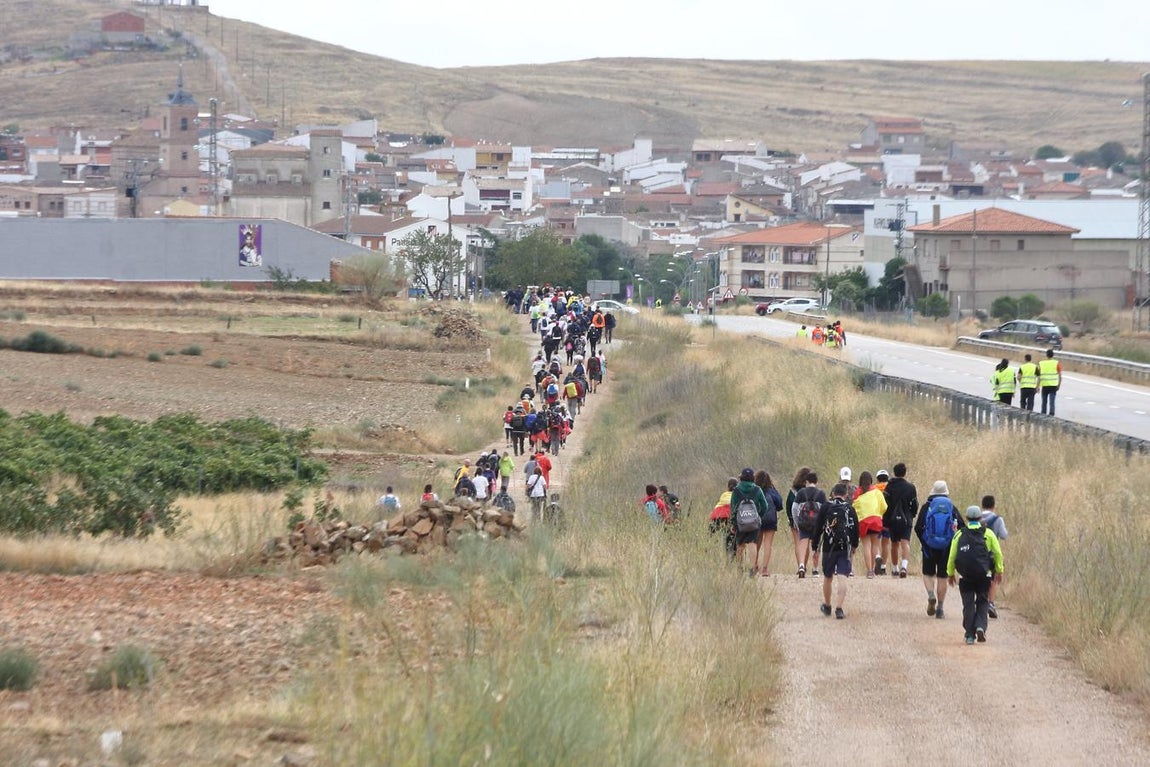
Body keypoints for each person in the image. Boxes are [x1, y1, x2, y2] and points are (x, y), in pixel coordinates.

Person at [948, 505, 1005, 644]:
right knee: (983, 601)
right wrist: (999, 570)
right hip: (984, 575)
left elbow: (952, 556)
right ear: (980, 518)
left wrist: (950, 573)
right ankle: (980, 627)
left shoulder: (960, 534)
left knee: (968, 604)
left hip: (965, 576)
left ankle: (969, 635)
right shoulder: (988, 533)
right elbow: (998, 553)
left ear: (966, 518)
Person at [914, 480, 962, 620]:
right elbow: (962, 528)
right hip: (946, 547)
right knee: (942, 577)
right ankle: (940, 608)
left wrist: (925, 542)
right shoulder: (951, 507)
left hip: (929, 546)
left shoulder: (927, 506)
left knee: (928, 574)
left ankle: (931, 595)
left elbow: (918, 528)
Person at [813, 482, 860, 619]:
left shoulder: (826, 507)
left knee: (828, 577)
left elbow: (818, 529)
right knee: (842, 576)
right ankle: (839, 608)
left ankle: (827, 606)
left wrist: (815, 547)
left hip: (829, 547)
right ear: (846, 495)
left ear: (833, 493)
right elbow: (855, 529)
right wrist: (854, 546)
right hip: (845, 547)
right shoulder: (849, 509)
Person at [730, 467, 770, 576]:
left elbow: (733, 508)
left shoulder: (736, 490)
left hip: (740, 522)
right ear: (753, 478)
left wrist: (733, 523)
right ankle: (753, 568)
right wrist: (758, 516)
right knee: (752, 543)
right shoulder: (757, 489)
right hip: (754, 523)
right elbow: (765, 506)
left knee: (740, 545)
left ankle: (739, 570)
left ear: (741, 477)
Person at [882, 463, 917, 579]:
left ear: (894, 472)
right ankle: (904, 566)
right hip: (906, 519)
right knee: (905, 543)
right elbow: (914, 504)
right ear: (905, 473)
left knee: (894, 544)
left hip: (892, 519)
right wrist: (912, 515)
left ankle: (895, 568)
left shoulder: (889, 486)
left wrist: (885, 522)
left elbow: (885, 505)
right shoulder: (911, 487)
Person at [791, 470, 827, 579]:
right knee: (816, 545)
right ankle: (815, 569)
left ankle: (801, 565)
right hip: (817, 523)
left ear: (806, 481)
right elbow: (825, 509)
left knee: (803, 542)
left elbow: (794, 508)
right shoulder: (821, 493)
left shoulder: (801, 493)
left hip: (803, 523)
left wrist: (797, 522)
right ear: (816, 481)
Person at [979, 495, 1009, 618]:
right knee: (994, 579)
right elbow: (1004, 535)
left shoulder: (976, 517)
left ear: (982, 505)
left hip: (977, 554)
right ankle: (990, 603)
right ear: (993, 505)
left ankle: (979, 601)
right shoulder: (998, 519)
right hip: (991, 554)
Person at [852, 471, 887, 578]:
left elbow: (854, 508)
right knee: (875, 545)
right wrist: (878, 514)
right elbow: (884, 506)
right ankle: (877, 556)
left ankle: (870, 571)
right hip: (876, 520)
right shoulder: (877, 491)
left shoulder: (857, 492)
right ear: (871, 481)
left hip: (863, 522)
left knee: (866, 545)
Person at [754, 470, 783, 577]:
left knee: (756, 542)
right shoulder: (772, 491)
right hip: (771, 519)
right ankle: (765, 569)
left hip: (757, 519)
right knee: (768, 544)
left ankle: (755, 565)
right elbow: (780, 505)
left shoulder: (755, 491)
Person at [709, 477, 738, 558]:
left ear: (728, 487)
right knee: (732, 540)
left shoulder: (723, 495)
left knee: (712, 539)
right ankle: (732, 559)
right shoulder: (738, 495)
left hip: (716, 517)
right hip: (729, 517)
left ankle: (711, 554)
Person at [1039, 348, 1062, 416]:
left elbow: (1039, 375)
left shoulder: (1041, 363)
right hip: (1053, 385)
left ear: (1046, 355)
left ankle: (1043, 413)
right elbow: (1060, 375)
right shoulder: (1056, 363)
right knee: (1052, 401)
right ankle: (1051, 414)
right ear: (1053, 355)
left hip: (1045, 385)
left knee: (1044, 401)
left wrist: (1037, 386)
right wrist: (1059, 385)